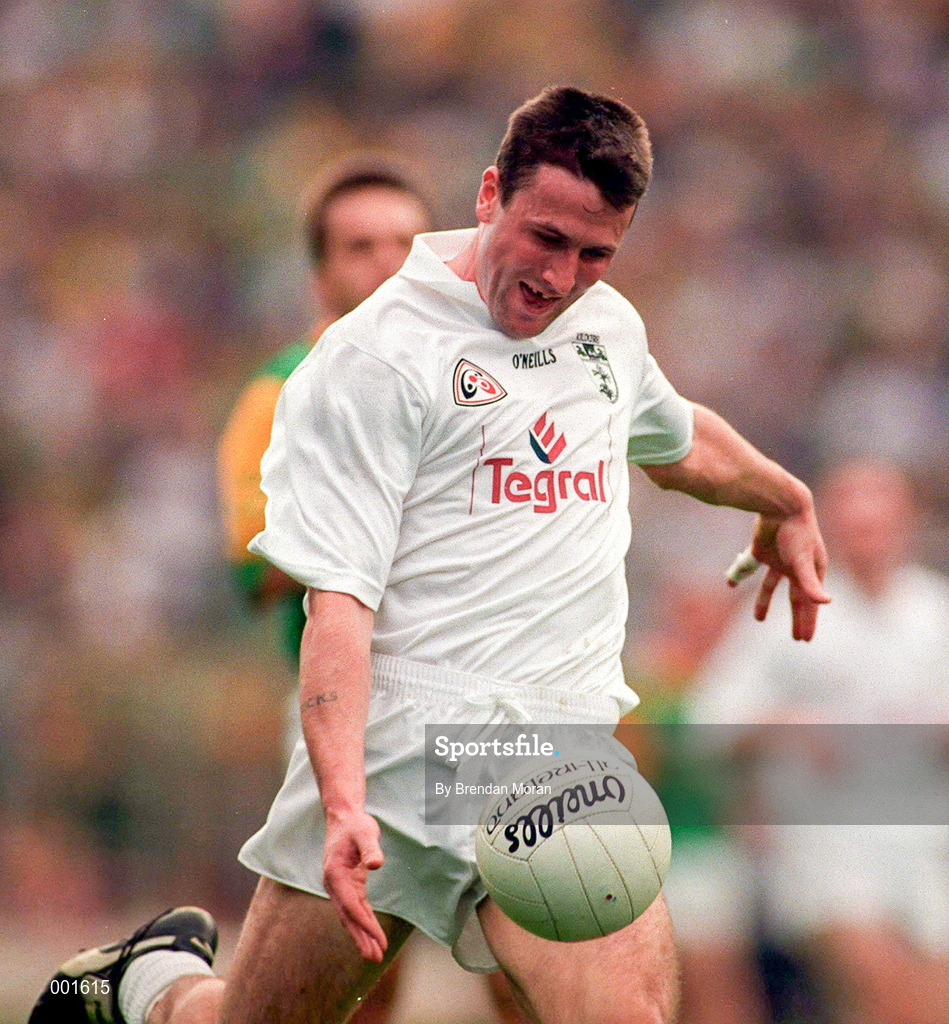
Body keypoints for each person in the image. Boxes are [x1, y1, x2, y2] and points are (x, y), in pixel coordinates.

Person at [32, 85, 829, 1024]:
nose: (561, 278)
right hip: (400, 752)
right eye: (544, 239)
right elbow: (339, 606)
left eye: (594, 253)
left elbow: (672, 435)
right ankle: (149, 983)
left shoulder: (604, 327)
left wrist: (784, 497)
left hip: (553, 756)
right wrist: (339, 802)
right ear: (489, 194)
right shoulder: (373, 361)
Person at [688, 457, 949, 1024]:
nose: (866, 532)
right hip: (823, 847)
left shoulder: (935, 612)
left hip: (925, 844)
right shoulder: (786, 607)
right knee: (879, 987)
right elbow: (707, 721)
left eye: (878, 518)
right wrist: (778, 724)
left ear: (906, 521)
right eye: (852, 520)